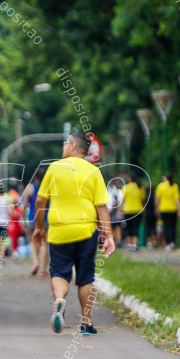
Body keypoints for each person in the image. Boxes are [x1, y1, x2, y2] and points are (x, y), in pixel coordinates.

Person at [32, 130, 114, 335]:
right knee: (85, 277)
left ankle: (60, 300)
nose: (63, 147)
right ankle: (86, 323)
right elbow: (101, 207)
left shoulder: (54, 168)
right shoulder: (93, 171)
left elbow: (41, 201)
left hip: (59, 231)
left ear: (74, 146)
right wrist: (109, 236)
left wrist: (39, 227)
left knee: (59, 272)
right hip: (86, 230)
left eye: (65, 143)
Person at [21, 168, 48, 275]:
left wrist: (23, 219)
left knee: (33, 241)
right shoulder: (48, 188)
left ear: (35, 177)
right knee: (44, 243)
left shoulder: (30, 187)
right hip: (45, 218)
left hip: (33, 217)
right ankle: (43, 269)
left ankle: (35, 262)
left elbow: (24, 205)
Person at [155, 173, 180, 249]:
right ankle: (173, 243)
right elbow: (177, 199)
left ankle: (168, 243)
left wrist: (157, 208)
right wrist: (179, 209)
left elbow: (157, 199)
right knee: (173, 226)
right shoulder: (174, 186)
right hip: (173, 209)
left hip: (163, 209)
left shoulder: (160, 186)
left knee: (166, 227)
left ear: (165, 178)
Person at [121, 174, 145, 251]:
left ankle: (129, 245)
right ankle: (134, 245)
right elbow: (143, 200)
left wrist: (119, 211)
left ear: (130, 179)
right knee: (136, 228)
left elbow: (122, 201)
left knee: (128, 228)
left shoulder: (125, 188)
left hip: (127, 211)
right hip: (138, 211)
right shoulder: (140, 188)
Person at [107, 176, 124, 248]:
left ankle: (114, 241)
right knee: (118, 227)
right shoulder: (120, 191)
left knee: (113, 227)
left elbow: (110, 202)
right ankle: (118, 241)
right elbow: (121, 202)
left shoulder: (110, 190)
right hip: (117, 211)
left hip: (112, 211)